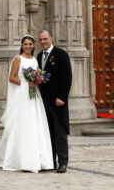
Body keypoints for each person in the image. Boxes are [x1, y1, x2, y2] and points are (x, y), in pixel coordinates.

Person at [0, 35, 54, 173]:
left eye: (30, 44)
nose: (28, 46)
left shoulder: (35, 59)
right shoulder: (18, 59)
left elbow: (38, 76)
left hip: (33, 96)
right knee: (23, 124)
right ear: (22, 45)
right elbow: (12, 78)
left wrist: (36, 81)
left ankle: (38, 159)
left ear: (33, 45)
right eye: (25, 44)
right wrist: (26, 83)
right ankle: (16, 159)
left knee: (34, 123)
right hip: (22, 96)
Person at [37, 29, 72, 173]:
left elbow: (67, 77)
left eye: (45, 39)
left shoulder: (61, 54)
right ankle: (51, 161)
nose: (43, 42)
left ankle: (63, 162)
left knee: (60, 132)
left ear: (51, 39)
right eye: (41, 40)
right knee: (48, 132)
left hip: (58, 101)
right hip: (44, 101)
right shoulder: (39, 56)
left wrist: (62, 97)